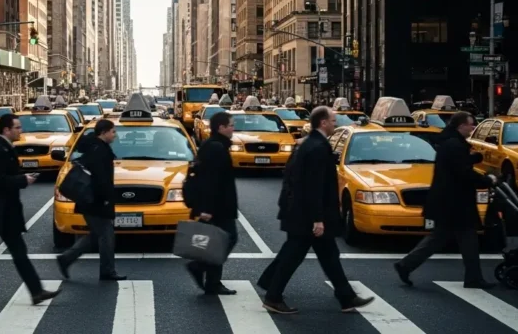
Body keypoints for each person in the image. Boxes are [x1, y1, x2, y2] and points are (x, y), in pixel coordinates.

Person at [259, 106, 374, 314]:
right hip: (308, 216)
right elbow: (314, 187)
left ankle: (346, 297)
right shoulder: (318, 148)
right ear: (323, 122)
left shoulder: (310, 144)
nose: (335, 123)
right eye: (332, 120)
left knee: (327, 255)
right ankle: (273, 296)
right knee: (296, 255)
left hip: (303, 213)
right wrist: (318, 219)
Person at [0, 114, 60, 306]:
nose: (20, 130)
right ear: (6, 130)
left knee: (18, 251)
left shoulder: (5, 148)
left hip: (4, 212)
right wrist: (22, 180)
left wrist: (23, 177)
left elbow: (5, 175)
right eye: (17, 127)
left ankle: (36, 291)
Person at [394, 112, 497, 289]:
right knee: (467, 238)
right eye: (471, 125)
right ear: (461, 126)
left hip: (448, 201)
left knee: (439, 238)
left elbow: (456, 164)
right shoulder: (454, 145)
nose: (473, 128)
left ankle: (406, 265)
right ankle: (473, 278)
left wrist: (475, 158)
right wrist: (488, 181)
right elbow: (462, 172)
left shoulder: (451, 143)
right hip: (456, 202)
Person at [56, 119, 124, 281]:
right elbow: (101, 179)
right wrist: (106, 199)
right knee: (106, 235)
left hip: (89, 200)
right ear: (104, 132)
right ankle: (107, 271)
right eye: (113, 132)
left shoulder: (94, 147)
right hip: (95, 201)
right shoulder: (100, 151)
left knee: (96, 234)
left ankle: (66, 259)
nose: (115, 135)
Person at [185, 111, 238, 295]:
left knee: (218, 242)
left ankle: (213, 282)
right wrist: (206, 209)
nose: (233, 128)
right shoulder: (215, 148)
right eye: (231, 125)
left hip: (219, 205)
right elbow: (209, 181)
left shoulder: (215, 146)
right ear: (221, 128)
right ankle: (199, 266)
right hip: (218, 207)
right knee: (227, 239)